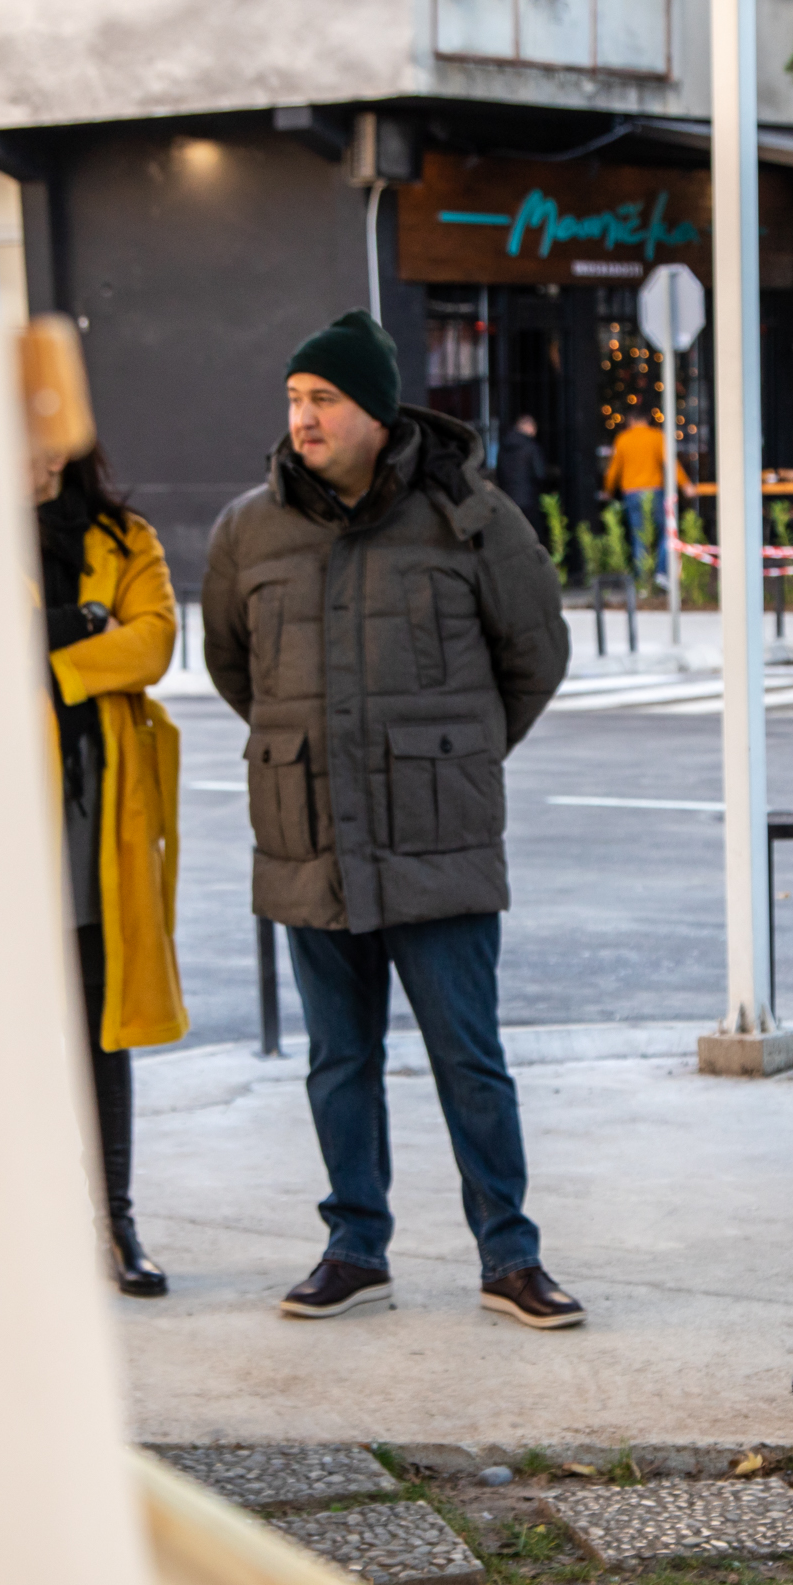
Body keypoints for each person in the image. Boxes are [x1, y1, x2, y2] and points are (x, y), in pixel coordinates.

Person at [201, 311, 579, 1328]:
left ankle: (509, 1255)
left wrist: (450, 759)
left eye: (323, 399)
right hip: (310, 837)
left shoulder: (468, 516)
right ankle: (353, 1246)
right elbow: (235, 668)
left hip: (434, 839)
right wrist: (313, 750)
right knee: (338, 1061)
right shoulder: (247, 530)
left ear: (375, 412)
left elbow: (535, 654)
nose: (303, 418)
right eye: (294, 399)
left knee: (469, 1059)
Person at [34, 444, 188, 1298]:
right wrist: (88, 624)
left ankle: (113, 1224)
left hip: (96, 813)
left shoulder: (126, 539)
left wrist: (54, 658)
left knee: (102, 1023)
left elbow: (154, 642)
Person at [601, 403, 683, 580]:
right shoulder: (657, 436)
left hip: (631, 493)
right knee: (665, 532)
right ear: (648, 419)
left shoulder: (623, 439)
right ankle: (661, 572)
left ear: (630, 420)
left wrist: (608, 490)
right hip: (654, 490)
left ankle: (643, 581)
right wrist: (685, 484)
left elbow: (613, 470)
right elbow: (671, 463)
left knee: (638, 536)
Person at [496, 411, 551, 521]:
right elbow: (540, 474)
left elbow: (499, 472)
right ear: (529, 427)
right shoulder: (531, 447)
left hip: (508, 498)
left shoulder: (504, 446)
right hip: (528, 499)